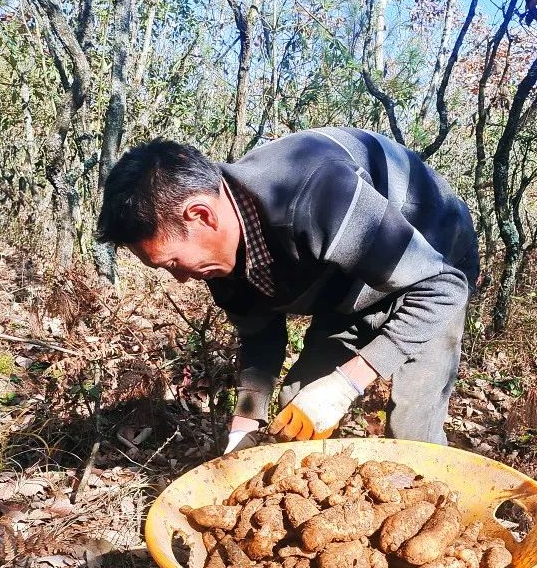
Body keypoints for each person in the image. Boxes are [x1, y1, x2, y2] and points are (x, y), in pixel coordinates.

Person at [97, 127, 478, 452]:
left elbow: (442, 287)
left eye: (173, 263)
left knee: (411, 428)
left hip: (434, 261)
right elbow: (260, 338)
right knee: (295, 404)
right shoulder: (219, 260)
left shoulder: (315, 191)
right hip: (350, 281)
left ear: (201, 215)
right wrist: (244, 423)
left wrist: (348, 382)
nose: (180, 279)